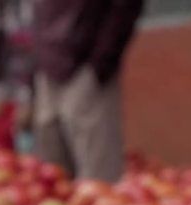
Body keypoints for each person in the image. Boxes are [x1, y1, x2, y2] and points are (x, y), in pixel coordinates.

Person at [32, 0, 144, 183]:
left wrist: (99, 65)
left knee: (98, 175)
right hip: (48, 68)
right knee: (52, 171)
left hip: (86, 66)